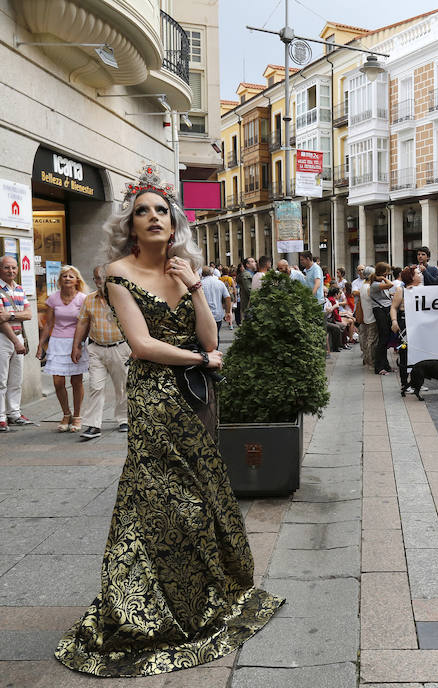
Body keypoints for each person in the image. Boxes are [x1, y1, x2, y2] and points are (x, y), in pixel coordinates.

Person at [55, 168, 282, 677]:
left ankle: (204, 589)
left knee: (201, 491)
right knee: (161, 497)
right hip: (157, 398)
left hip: (198, 397)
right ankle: (152, 604)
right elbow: (142, 346)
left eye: (161, 210)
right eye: (143, 211)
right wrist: (203, 362)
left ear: (173, 221)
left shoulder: (185, 267)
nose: (153, 217)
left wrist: (196, 288)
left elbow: (208, 336)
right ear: (130, 225)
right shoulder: (118, 273)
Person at [71, 267, 130, 440]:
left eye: (104, 278)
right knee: (95, 387)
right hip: (96, 348)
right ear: (94, 280)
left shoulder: (123, 297)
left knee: (122, 387)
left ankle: (124, 419)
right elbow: (82, 324)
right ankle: (94, 425)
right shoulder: (89, 300)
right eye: (97, 278)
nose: (101, 281)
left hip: (120, 348)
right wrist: (76, 346)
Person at [37, 265, 89, 433]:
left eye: (71, 276)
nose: (67, 278)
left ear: (77, 281)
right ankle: (66, 414)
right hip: (57, 343)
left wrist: (79, 344)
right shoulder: (53, 298)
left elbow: (84, 323)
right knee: (58, 382)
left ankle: (77, 416)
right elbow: (49, 324)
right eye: (64, 276)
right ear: (60, 280)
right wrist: (40, 344)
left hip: (76, 342)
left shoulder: (82, 299)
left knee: (76, 381)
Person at [0, 255, 34, 431]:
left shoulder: (20, 289)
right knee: (1, 380)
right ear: (0, 269)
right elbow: (0, 319)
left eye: (13, 268)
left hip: (18, 337)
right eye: (7, 267)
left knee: (16, 379)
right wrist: (16, 342)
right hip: (4, 338)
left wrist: (11, 314)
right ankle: (1, 417)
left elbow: (28, 315)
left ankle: (14, 413)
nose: (11, 271)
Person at [391, 266, 423, 394]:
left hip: (420, 324)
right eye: (417, 273)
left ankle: (417, 382)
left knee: (420, 353)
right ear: (411, 277)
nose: (420, 275)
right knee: (404, 353)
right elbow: (393, 307)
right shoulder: (401, 290)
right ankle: (405, 384)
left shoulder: (424, 290)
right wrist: (394, 321)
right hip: (405, 325)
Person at [369, 262, 395, 375]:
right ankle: (379, 367)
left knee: (386, 338)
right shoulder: (375, 284)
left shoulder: (379, 282)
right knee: (383, 339)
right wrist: (384, 278)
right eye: (386, 272)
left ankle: (386, 365)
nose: (388, 274)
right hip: (380, 311)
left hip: (385, 310)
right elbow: (391, 285)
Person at [200, 265, 232, 345]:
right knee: (216, 334)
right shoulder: (220, 283)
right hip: (218, 314)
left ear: (202, 274)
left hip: (205, 315)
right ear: (212, 273)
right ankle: (216, 351)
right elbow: (227, 297)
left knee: (204, 336)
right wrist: (228, 312)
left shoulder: (200, 284)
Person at [358, 266, 377, 368]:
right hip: (371, 316)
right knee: (371, 339)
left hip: (366, 315)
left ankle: (367, 358)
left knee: (368, 339)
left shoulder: (363, 286)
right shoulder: (368, 287)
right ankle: (370, 361)